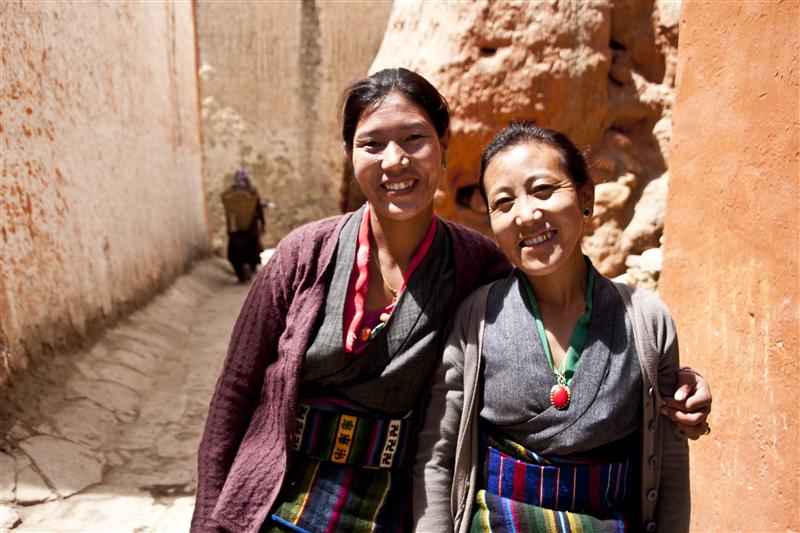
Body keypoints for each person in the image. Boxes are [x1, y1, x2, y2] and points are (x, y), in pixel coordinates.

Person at [192, 70, 710, 533]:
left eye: (414, 139)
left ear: (442, 146)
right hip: (278, 497)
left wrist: (669, 383)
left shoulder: (475, 265)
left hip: (387, 507)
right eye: (371, 144)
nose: (394, 160)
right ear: (350, 155)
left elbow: (557, 300)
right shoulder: (303, 255)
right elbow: (236, 393)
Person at [414, 122, 693, 533]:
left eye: (543, 190)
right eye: (503, 203)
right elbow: (439, 452)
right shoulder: (477, 317)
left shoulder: (647, 321)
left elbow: (669, 463)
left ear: (585, 198)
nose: (527, 215)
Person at [221, 168, 264, 282]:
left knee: (234, 254)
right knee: (252, 251)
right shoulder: (252, 192)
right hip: (251, 229)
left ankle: (241, 272)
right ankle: (248, 266)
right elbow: (259, 211)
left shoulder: (230, 193)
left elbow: (227, 210)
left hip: (235, 230)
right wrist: (263, 225)